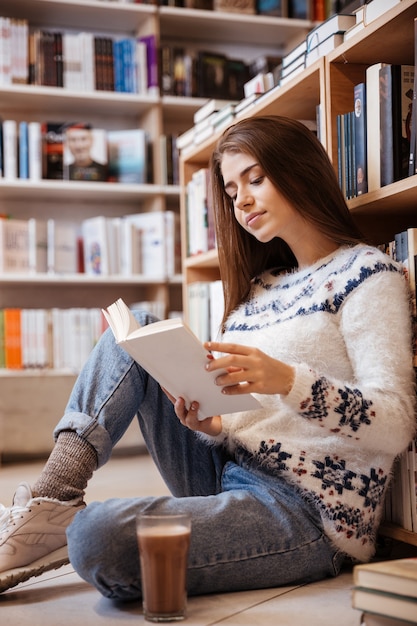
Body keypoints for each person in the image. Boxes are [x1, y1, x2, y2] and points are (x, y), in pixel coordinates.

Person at [1, 116, 416, 599]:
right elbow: (252, 419)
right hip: (222, 472)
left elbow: (397, 421)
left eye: (255, 179)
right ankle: (54, 499)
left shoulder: (368, 274)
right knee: (131, 326)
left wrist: (287, 380)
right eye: (231, 188)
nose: (240, 199)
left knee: (97, 537)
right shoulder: (260, 289)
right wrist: (213, 425)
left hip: (305, 514)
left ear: (301, 170)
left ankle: (65, 525)